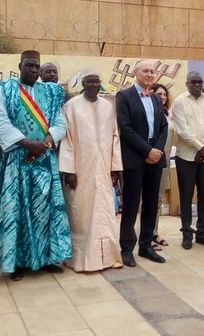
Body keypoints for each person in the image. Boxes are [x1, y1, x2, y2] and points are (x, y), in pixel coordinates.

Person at [0, 50, 71, 280]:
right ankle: (16, 263)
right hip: (17, 158)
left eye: (36, 67)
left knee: (44, 210)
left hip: (44, 159)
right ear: (20, 65)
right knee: (15, 211)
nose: (34, 71)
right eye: (29, 66)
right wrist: (26, 143)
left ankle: (46, 258)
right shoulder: (6, 89)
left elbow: (59, 121)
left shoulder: (50, 91)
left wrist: (47, 141)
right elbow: (0, 119)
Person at [59, 68, 123, 271]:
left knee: (105, 211)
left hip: (104, 167)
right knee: (82, 213)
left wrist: (115, 168)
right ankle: (81, 260)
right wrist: (69, 170)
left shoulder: (107, 106)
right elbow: (66, 140)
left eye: (97, 82)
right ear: (83, 84)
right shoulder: (71, 106)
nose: (94, 85)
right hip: (80, 169)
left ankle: (108, 257)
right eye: (90, 82)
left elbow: (115, 137)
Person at [116, 60, 168, 266]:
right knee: (130, 205)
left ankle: (146, 246)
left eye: (152, 71)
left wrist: (156, 151)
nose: (149, 74)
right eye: (145, 71)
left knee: (151, 203)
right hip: (135, 158)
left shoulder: (155, 98)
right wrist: (147, 151)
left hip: (155, 158)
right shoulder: (124, 96)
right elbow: (125, 128)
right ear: (135, 73)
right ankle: (127, 248)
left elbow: (164, 127)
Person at [172, 71, 204, 250]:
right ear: (187, 84)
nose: (196, 85)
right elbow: (183, 130)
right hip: (186, 156)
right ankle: (187, 233)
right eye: (193, 82)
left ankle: (203, 234)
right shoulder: (179, 102)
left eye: (199, 82)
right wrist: (200, 147)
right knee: (186, 196)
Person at [149, 82, 173, 251]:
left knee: (157, 198)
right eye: (159, 94)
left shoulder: (167, 115)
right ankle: (145, 235)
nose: (162, 97)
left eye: (164, 94)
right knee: (147, 199)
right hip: (150, 160)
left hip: (164, 162)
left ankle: (154, 232)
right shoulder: (149, 114)